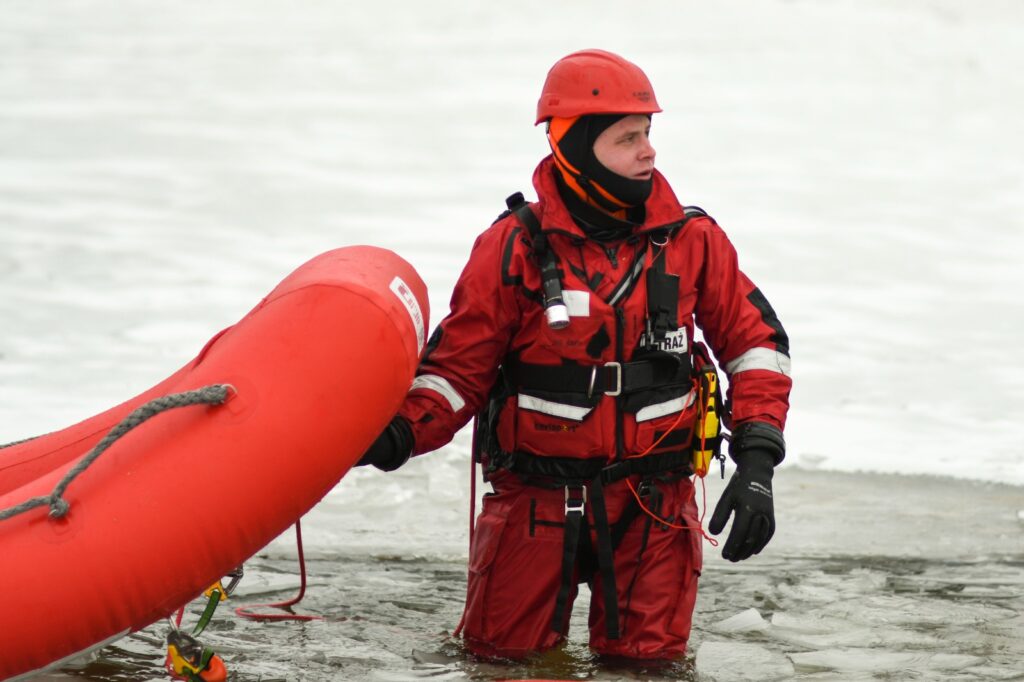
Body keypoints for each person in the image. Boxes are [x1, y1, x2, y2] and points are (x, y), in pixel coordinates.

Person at [357, 49, 792, 661]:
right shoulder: (512, 248)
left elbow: (758, 349)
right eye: (628, 138)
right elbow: (458, 370)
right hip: (535, 506)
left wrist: (757, 464)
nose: (650, 151)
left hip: (655, 509)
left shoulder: (694, 242)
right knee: (503, 665)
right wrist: (398, 434)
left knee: (648, 670)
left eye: (648, 134)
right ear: (576, 146)